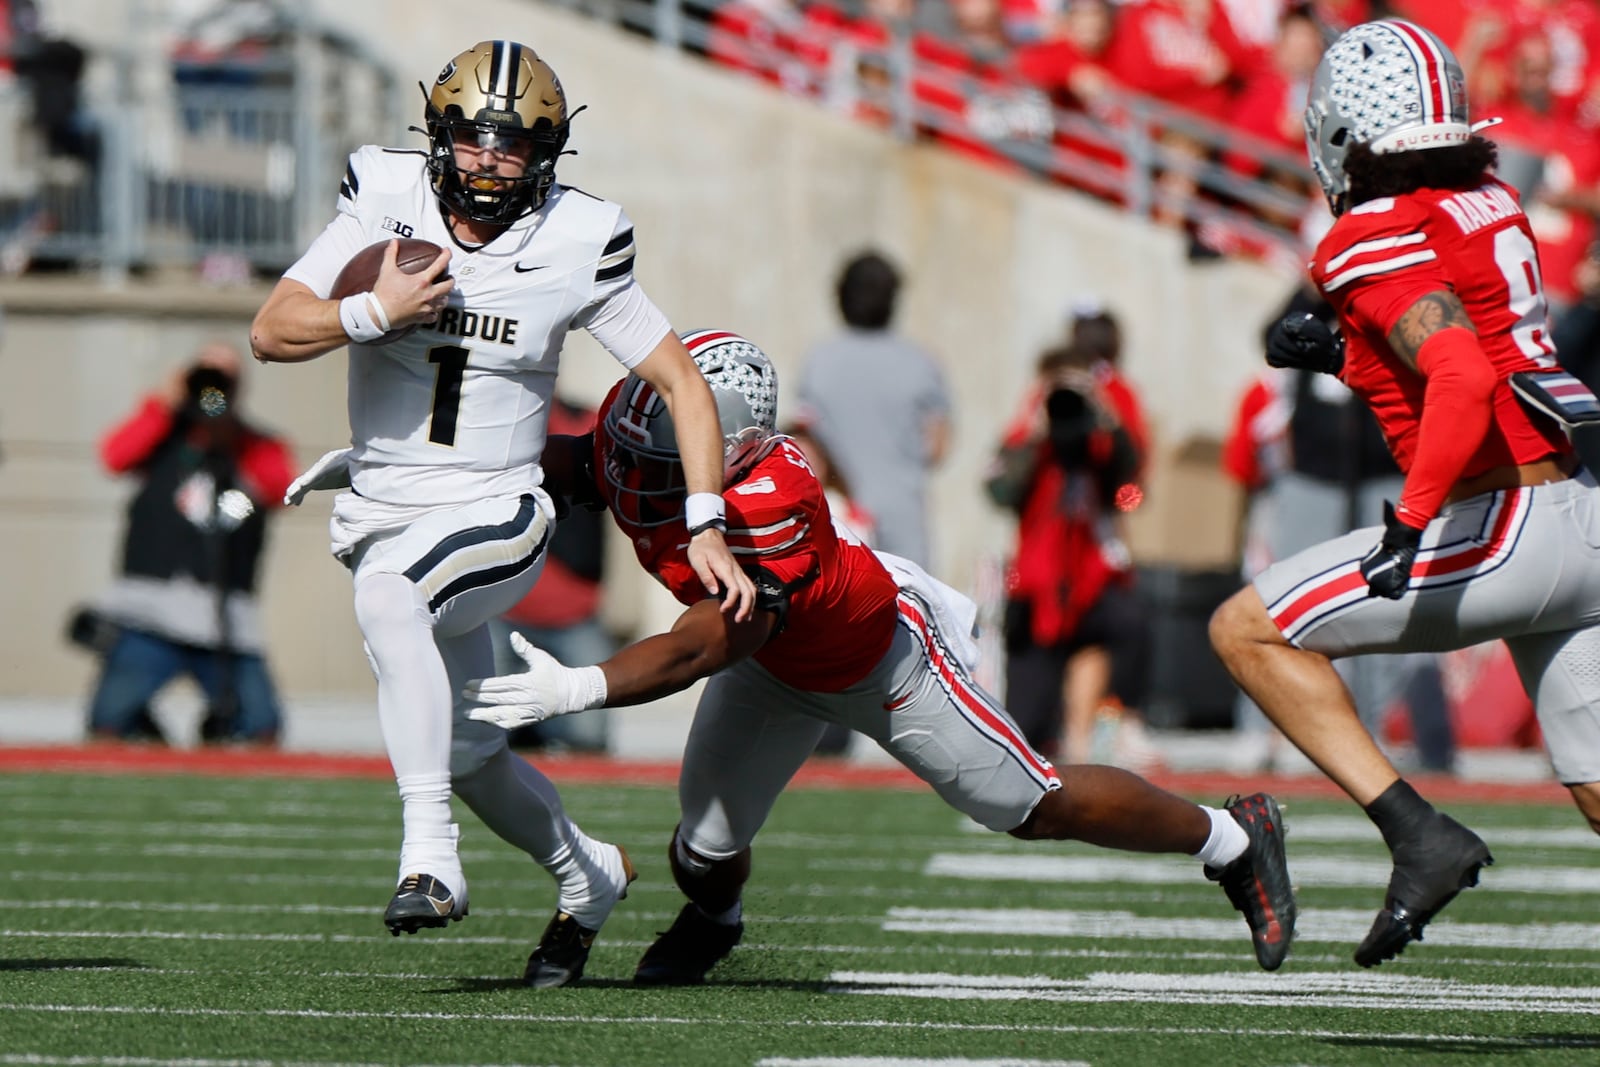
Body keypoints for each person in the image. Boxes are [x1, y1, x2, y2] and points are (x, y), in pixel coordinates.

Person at [466, 329, 1297, 984]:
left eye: (666, 456)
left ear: (734, 449)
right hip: (776, 669)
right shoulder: (642, 426)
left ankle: (1231, 837)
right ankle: (718, 921)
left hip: (881, 664)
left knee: (1029, 803)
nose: (636, 472)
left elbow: (708, 642)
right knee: (702, 852)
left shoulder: (770, 500)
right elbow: (571, 465)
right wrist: (424, 480)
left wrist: (582, 685)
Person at [251, 39, 755, 987]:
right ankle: (586, 872)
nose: (490, 161)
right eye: (473, 139)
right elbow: (273, 328)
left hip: (500, 511)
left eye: (516, 145)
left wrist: (704, 518)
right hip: (387, 508)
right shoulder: (383, 196)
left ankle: (429, 855)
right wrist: (374, 311)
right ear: (437, 135)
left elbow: (682, 383)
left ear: (549, 153)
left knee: (393, 599)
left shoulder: (578, 236)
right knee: (475, 749)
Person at [1210, 18, 1600, 971]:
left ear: (1342, 134)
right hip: (1583, 517)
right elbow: (1476, 346)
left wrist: (1412, 521)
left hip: (1500, 521)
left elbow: (1460, 375)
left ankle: (1417, 833)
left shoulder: (1361, 234)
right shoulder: (1492, 199)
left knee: (1246, 629)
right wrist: (1345, 353)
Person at [85, 342, 292, 746]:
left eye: (223, 379)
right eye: (204, 375)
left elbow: (280, 488)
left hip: (224, 623)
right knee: (109, 722)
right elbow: (113, 456)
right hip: (150, 617)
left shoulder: (255, 445)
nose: (211, 389)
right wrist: (164, 403)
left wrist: (229, 431)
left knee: (261, 727)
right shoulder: (164, 435)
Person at [984, 342, 1151, 767]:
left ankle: (1117, 722)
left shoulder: (1099, 446)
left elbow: (1129, 485)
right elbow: (999, 491)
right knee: (1026, 726)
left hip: (1090, 580)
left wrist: (1105, 417)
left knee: (1129, 623)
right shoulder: (1029, 441)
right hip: (1036, 588)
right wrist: (1036, 432)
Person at [795, 249, 951, 568]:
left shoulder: (819, 362)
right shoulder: (920, 362)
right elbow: (937, 447)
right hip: (903, 522)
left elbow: (804, 443)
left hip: (837, 521)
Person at [491, 393, 616, 754]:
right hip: (500, 615)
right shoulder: (493, 431)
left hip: (576, 617)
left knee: (589, 740)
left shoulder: (582, 422)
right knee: (487, 737)